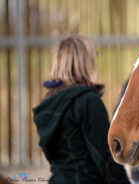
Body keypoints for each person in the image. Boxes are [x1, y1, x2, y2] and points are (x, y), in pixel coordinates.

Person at [33, 36, 130, 184]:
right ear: (84, 62)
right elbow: (105, 158)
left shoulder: (48, 103)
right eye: (92, 58)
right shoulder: (87, 101)